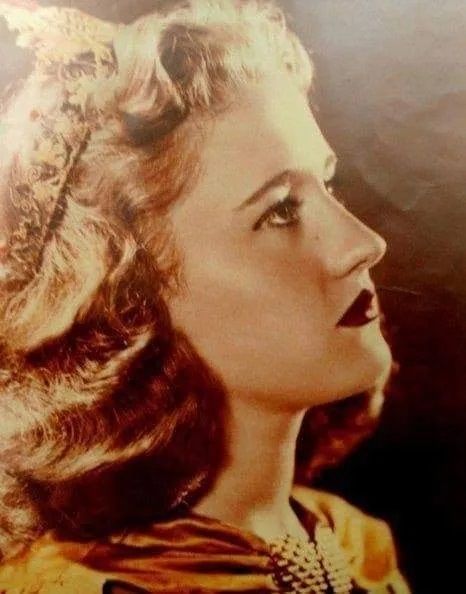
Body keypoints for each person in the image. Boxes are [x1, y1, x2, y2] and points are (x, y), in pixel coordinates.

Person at [0, 0, 411, 592]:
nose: (364, 244)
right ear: (131, 304)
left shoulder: (351, 542)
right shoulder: (88, 586)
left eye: (327, 184)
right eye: (280, 211)